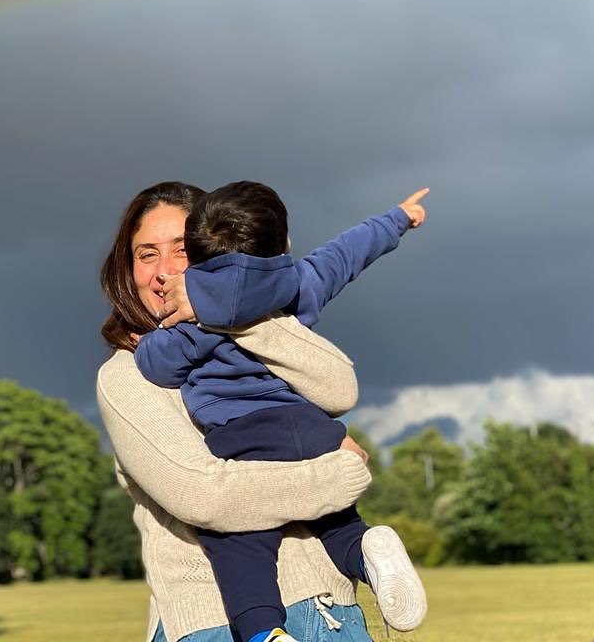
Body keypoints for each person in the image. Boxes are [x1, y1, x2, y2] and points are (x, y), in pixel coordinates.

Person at [134, 182, 429, 641]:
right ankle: (366, 550)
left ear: (196, 257)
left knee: (238, 542)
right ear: (285, 246)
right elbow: (346, 254)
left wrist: (163, 331)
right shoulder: (298, 285)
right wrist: (397, 219)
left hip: (243, 435)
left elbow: (156, 365)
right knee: (335, 519)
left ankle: (263, 631)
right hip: (311, 429)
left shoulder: (193, 321)